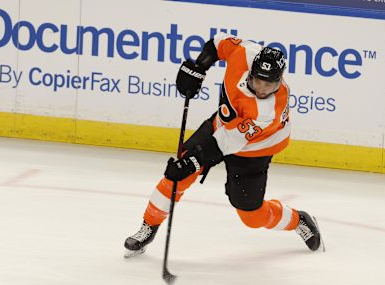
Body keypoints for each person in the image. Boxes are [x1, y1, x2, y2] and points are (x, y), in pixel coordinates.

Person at [124, 33, 324, 258]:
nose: (261, 89)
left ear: (279, 81)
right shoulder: (244, 53)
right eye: (257, 80)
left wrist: (191, 162)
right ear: (251, 70)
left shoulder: (267, 111)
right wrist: (200, 67)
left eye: (269, 85)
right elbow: (217, 43)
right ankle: (149, 226)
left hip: (256, 148)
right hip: (223, 125)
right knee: (175, 178)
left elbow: (224, 144)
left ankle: (299, 220)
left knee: (251, 216)